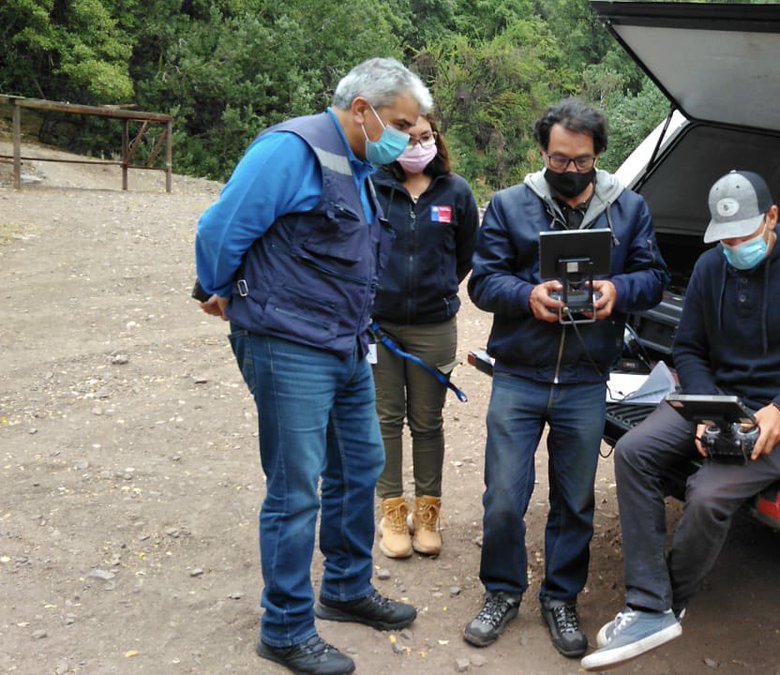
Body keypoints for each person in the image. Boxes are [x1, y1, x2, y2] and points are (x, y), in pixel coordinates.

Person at [194, 57, 431, 675]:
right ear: (363, 110)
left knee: (361, 465)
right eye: (402, 123)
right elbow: (220, 228)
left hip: (346, 344)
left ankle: (346, 589)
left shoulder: (356, 165)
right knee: (297, 490)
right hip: (286, 345)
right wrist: (216, 287)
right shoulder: (289, 150)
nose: (409, 137)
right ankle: (285, 629)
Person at [580, 170, 780, 670]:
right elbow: (689, 348)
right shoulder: (714, 266)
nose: (734, 246)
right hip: (720, 399)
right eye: (725, 237)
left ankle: (665, 601)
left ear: (772, 218)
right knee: (634, 453)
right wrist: (704, 407)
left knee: (709, 493)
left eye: (744, 235)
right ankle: (652, 600)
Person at [463, 100, 670, 658]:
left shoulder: (628, 209)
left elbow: (654, 277)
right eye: (560, 159)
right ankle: (502, 592)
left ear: (598, 156)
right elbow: (482, 283)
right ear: (543, 153)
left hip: (584, 378)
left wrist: (617, 292)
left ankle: (561, 598)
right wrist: (527, 296)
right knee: (504, 497)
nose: (571, 171)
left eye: (582, 161)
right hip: (520, 374)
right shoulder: (509, 206)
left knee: (575, 501)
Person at [372, 113, 478, 559]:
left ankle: (428, 512)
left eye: (426, 136)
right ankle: (393, 512)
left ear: (437, 138)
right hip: (377, 325)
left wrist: (436, 288)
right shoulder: (372, 186)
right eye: (408, 137)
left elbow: (467, 253)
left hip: (434, 327)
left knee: (428, 421)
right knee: (385, 419)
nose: (418, 145)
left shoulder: (456, 192)